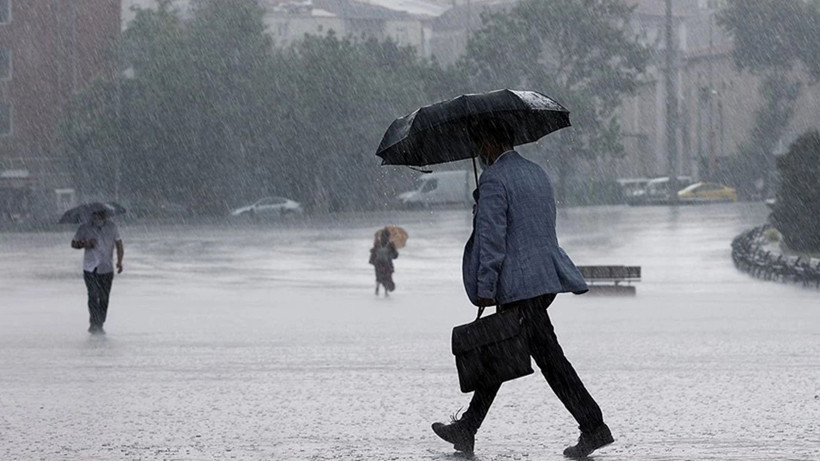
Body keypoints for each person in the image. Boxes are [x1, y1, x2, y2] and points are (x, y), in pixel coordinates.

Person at [431, 119, 613, 459]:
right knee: (499, 351)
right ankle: (467, 427)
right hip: (543, 280)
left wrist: (486, 286)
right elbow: (536, 226)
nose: (478, 152)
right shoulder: (537, 173)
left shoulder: (494, 179)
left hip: (518, 286)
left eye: (479, 144)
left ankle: (594, 426)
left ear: (489, 141)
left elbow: (493, 240)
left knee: (549, 359)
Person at [71, 209, 124, 335]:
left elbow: (119, 244)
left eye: (101, 214)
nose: (98, 217)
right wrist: (85, 244)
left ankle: (100, 322)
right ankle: (94, 323)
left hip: (106, 267)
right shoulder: (84, 228)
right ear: (92, 214)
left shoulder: (112, 227)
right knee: (93, 295)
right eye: (96, 214)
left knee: (104, 297)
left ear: (105, 215)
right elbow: (73, 243)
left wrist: (119, 261)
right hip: (90, 268)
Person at [369, 227, 398, 297]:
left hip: (379, 263)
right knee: (387, 277)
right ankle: (385, 291)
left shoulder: (377, 244)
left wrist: (373, 260)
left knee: (379, 277)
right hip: (387, 263)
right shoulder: (390, 244)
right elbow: (395, 255)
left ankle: (377, 289)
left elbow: (373, 252)